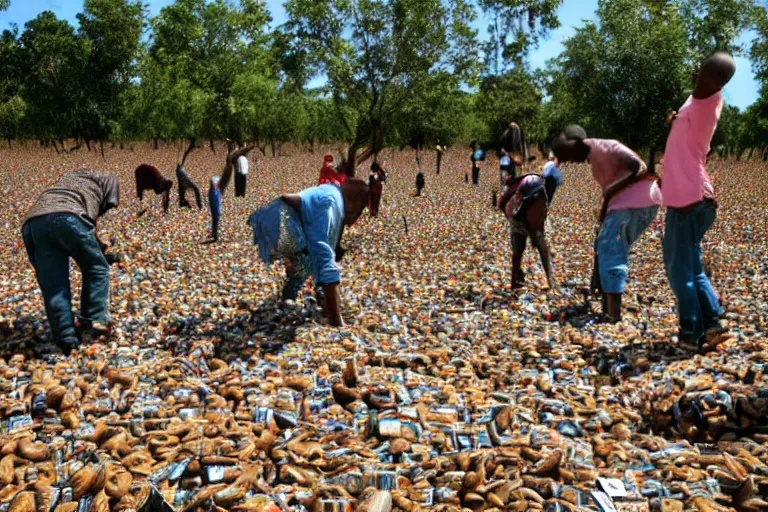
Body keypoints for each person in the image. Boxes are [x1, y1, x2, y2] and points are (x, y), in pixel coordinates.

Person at [663, 52, 736, 352]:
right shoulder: (695, 102)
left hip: (689, 199)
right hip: (693, 197)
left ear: (714, 81)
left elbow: (711, 84)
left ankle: (690, 332)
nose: (695, 69)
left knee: (679, 269)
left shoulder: (710, 100)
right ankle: (712, 325)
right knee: (692, 266)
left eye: (703, 68)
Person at [552, 125, 661, 324]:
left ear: (577, 144)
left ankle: (613, 316)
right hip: (627, 204)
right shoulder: (595, 156)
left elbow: (639, 166)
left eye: (568, 155)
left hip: (638, 201)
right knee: (604, 243)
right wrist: (604, 211)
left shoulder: (607, 147)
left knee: (611, 247)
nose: (570, 161)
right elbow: (610, 191)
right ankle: (605, 305)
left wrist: (612, 190)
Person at [21, 170, 120, 353]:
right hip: (69, 216)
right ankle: (92, 324)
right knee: (97, 268)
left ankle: (66, 336)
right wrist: (101, 250)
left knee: (54, 284)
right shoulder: (108, 182)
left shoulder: (70, 182)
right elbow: (90, 223)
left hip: (34, 222)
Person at [248, 180, 369, 326]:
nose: (359, 215)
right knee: (306, 265)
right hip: (282, 221)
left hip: (279, 218)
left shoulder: (333, 195)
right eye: (361, 208)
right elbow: (324, 256)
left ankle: (304, 300)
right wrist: (337, 322)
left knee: (307, 266)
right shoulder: (331, 205)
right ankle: (291, 306)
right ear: (354, 201)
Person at [499, 173, 554, 290]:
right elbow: (509, 209)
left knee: (539, 250)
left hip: (530, 223)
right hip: (518, 222)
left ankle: (550, 281)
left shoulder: (539, 194)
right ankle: (516, 281)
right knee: (519, 252)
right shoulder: (517, 194)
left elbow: (540, 214)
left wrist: (537, 233)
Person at [208, 176, 222, 242]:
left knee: (215, 222)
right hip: (215, 209)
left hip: (216, 208)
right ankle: (215, 236)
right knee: (215, 222)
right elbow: (214, 202)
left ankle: (214, 234)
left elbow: (218, 200)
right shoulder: (213, 192)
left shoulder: (217, 190)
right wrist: (218, 210)